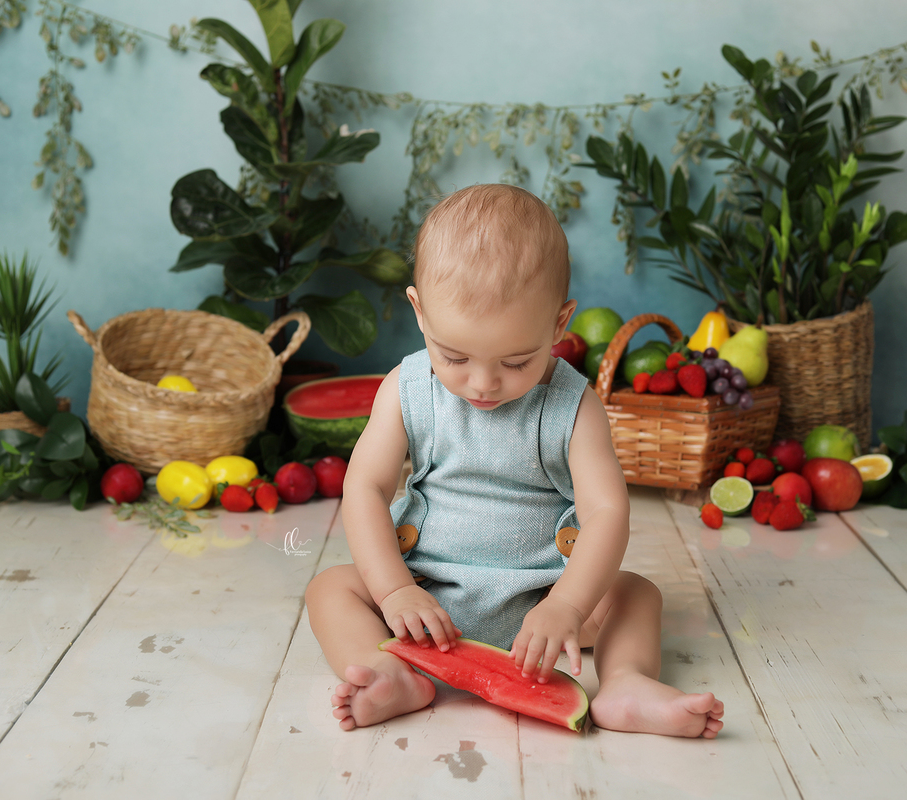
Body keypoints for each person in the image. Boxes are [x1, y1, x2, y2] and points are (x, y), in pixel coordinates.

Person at [304, 184, 724, 738]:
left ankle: (625, 683)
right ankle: (391, 673)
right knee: (330, 588)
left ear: (558, 324)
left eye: (517, 361)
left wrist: (569, 607)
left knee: (637, 593)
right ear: (419, 310)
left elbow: (606, 512)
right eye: (454, 356)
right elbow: (365, 488)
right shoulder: (404, 388)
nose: (482, 383)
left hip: (544, 598)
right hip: (426, 594)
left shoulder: (575, 405)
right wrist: (392, 590)